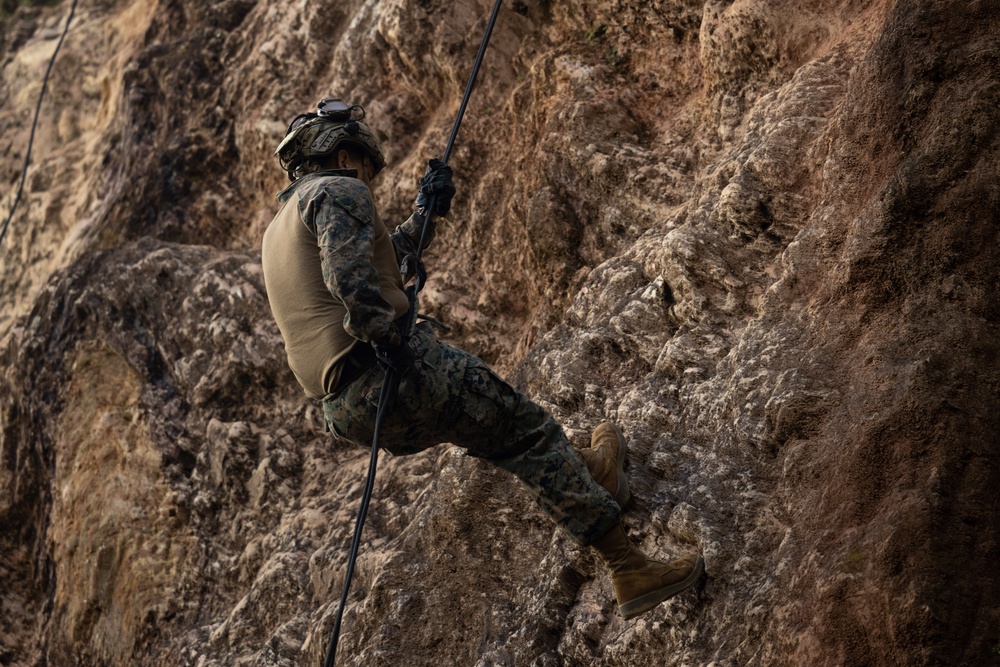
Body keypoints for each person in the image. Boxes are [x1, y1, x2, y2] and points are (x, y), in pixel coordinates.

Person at [260, 98, 704, 620]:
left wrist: (425, 215)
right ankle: (630, 569)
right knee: (526, 429)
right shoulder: (339, 189)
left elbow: (374, 265)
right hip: (389, 372)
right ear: (342, 154)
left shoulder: (281, 227)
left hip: (347, 409)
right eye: (363, 164)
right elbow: (353, 285)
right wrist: (389, 342)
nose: (367, 178)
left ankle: (596, 473)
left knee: (498, 432)